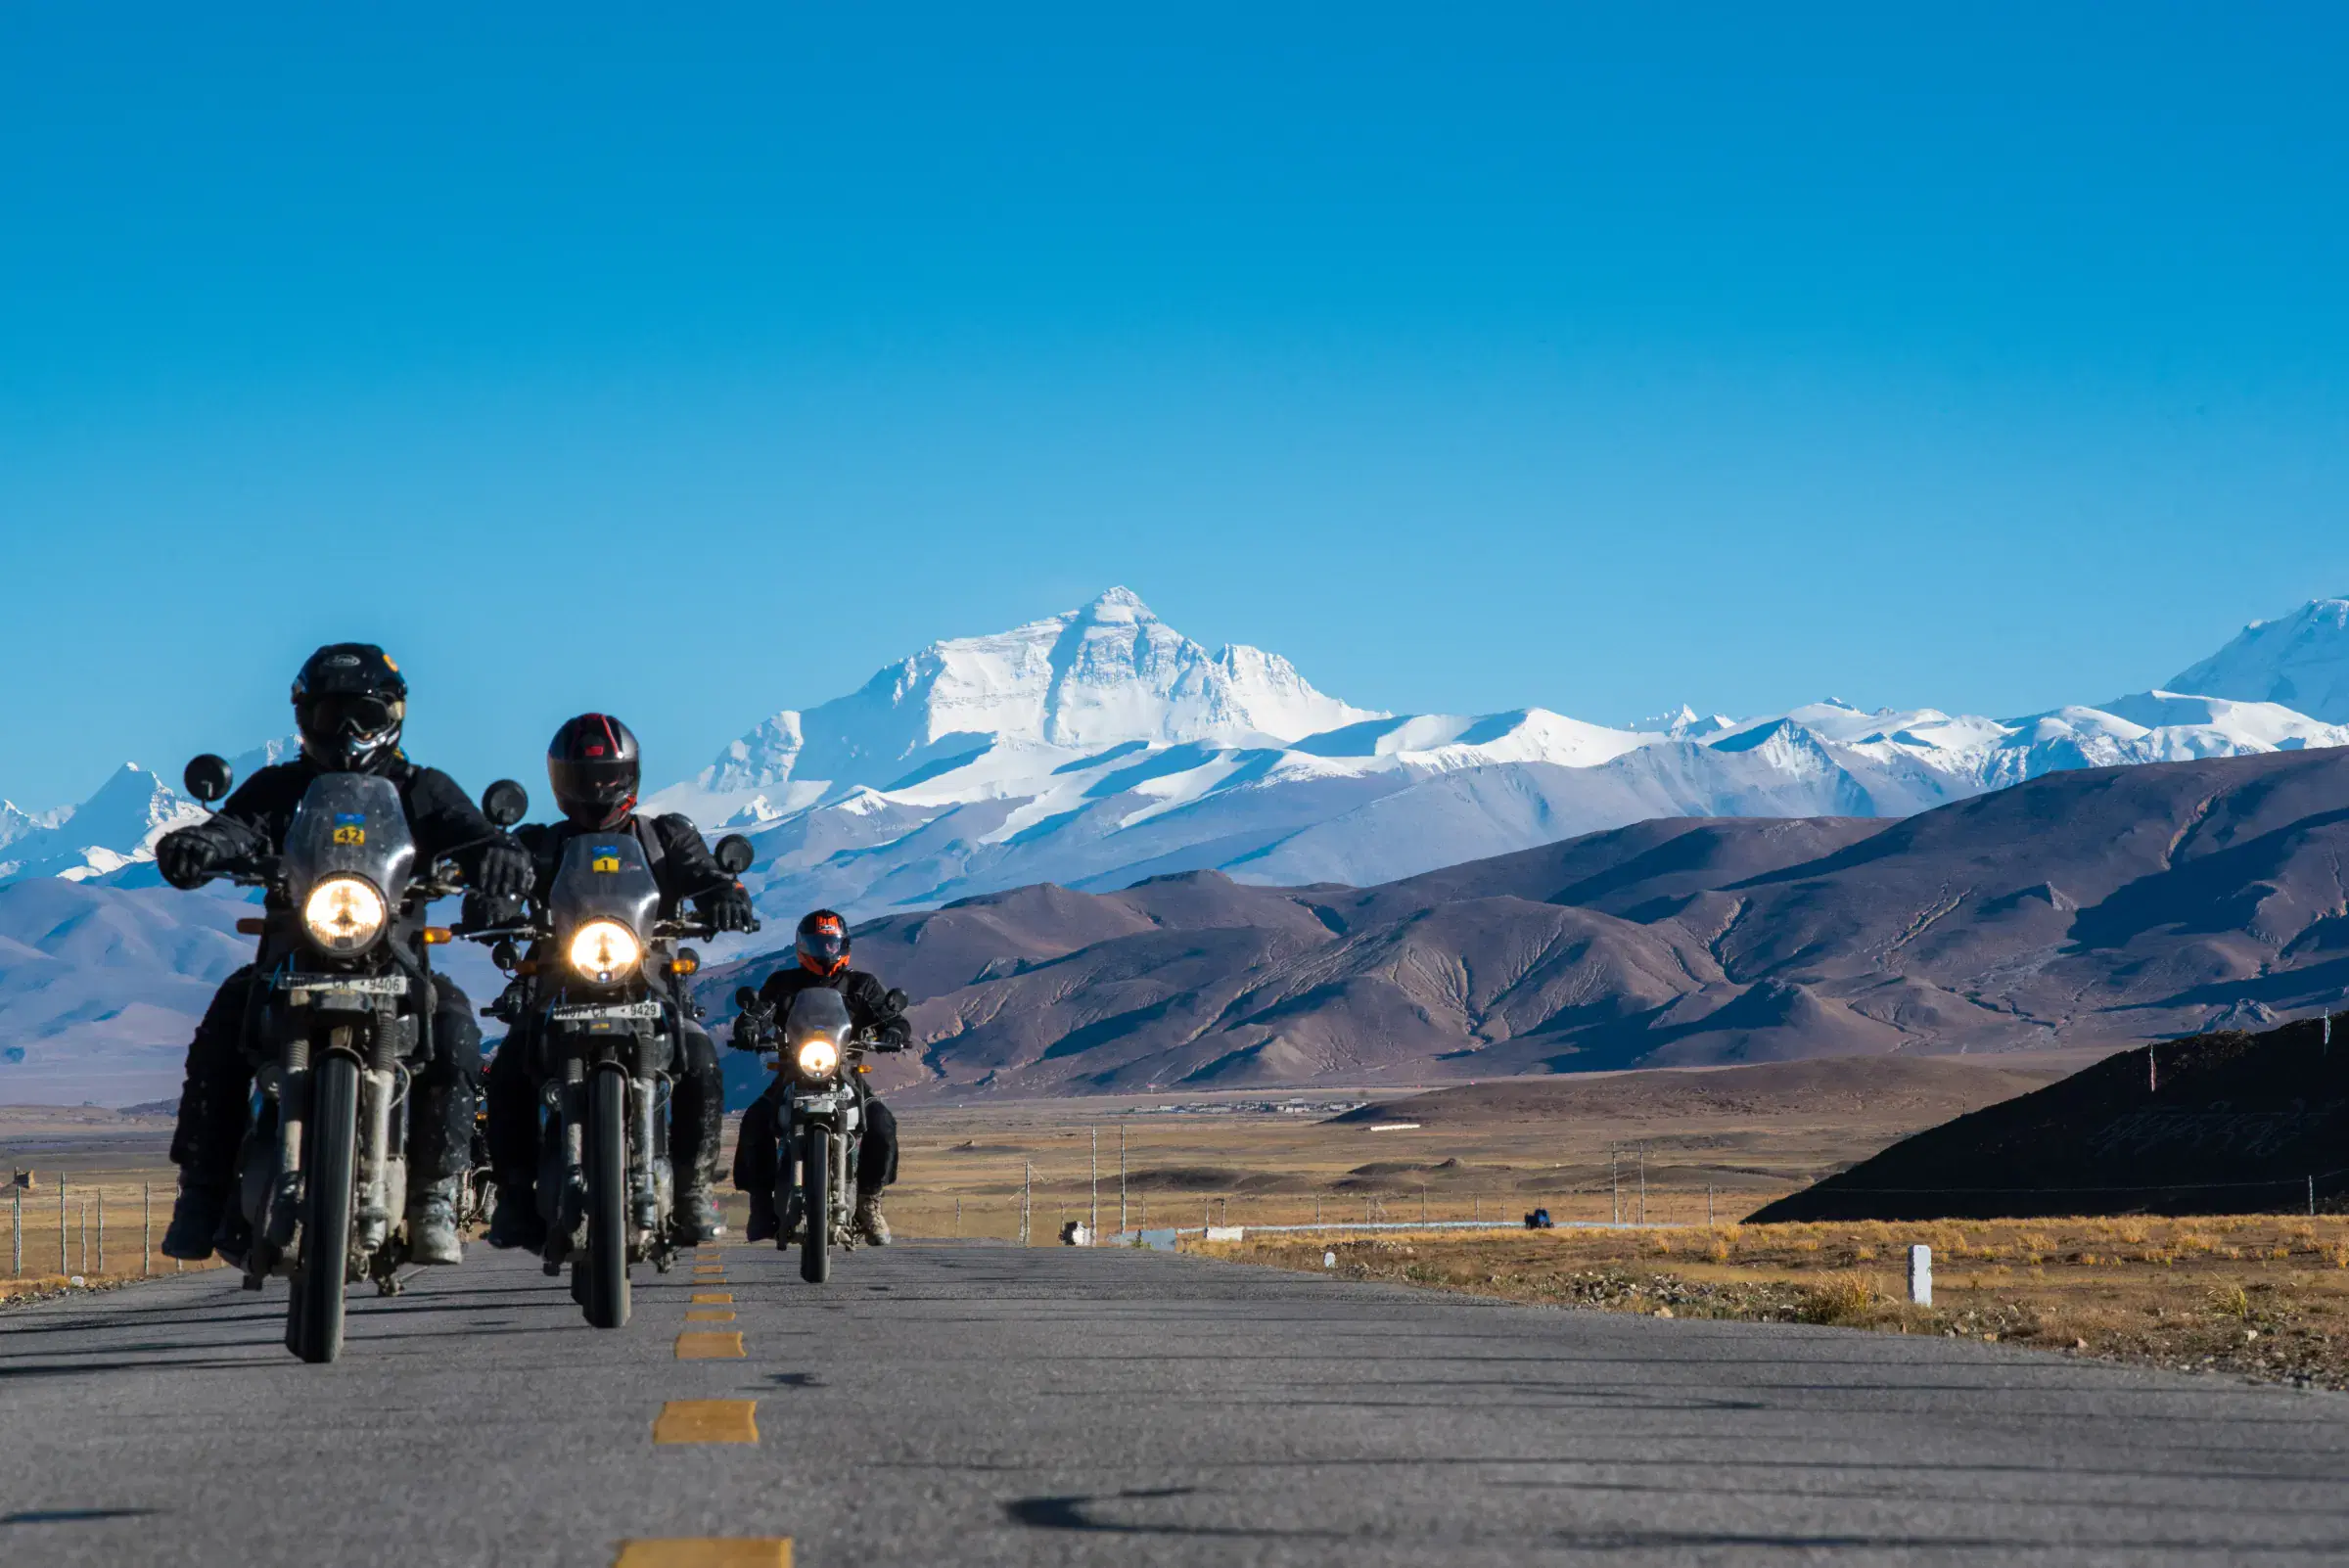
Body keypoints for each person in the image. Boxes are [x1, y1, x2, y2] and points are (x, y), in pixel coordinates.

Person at [154, 643, 532, 1266]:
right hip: (291, 955)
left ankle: (435, 1195)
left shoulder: (422, 789)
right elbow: (238, 826)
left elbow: (478, 835)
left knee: (457, 1032)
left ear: (393, 714)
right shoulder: (281, 787)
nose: (350, 731)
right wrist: (200, 842)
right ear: (306, 718)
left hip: (398, 959)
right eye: (334, 716)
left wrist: (499, 858)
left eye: (364, 714)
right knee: (225, 1029)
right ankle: (200, 1194)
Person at [479, 714, 757, 1251]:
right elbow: (510, 880)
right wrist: (495, 897)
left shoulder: (664, 837)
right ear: (562, 780)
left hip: (649, 984)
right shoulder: (542, 844)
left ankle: (695, 1187)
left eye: (608, 776)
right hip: (561, 983)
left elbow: (706, 873)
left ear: (629, 776)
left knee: (700, 1059)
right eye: (585, 777)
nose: (598, 788)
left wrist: (725, 894)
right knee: (510, 1065)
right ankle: (514, 1195)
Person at [731, 910, 910, 1245]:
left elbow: (892, 1018)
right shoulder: (783, 984)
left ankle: (870, 1201)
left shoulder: (862, 985)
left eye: (831, 942)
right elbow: (760, 1012)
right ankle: (759, 1204)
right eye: (817, 943)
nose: (825, 950)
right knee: (754, 1121)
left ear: (843, 944)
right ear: (802, 946)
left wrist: (896, 1031)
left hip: (846, 1073)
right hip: (792, 1072)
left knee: (883, 1124)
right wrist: (749, 1026)